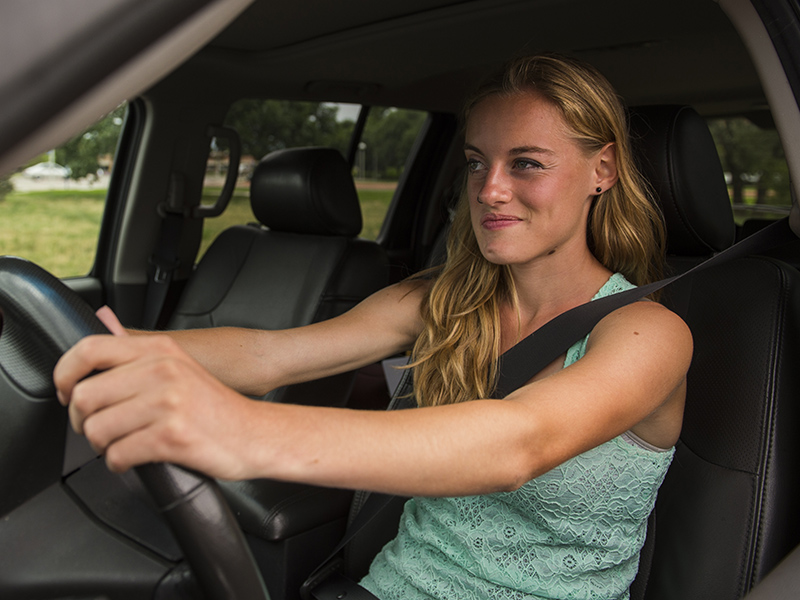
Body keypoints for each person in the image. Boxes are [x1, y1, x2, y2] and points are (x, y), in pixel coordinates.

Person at [54, 53, 693, 600]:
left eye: (526, 163)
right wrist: (100, 343)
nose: (490, 190)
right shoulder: (445, 299)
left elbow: (517, 444)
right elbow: (271, 355)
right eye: (476, 162)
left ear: (602, 171)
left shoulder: (647, 333)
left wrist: (239, 429)